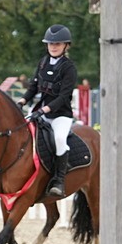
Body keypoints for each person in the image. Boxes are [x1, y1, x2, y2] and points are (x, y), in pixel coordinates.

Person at [19, 23, 78, 198]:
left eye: (57, 44)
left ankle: (59, 180)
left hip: (61, 115)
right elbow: (33, 87)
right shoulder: (43, 62)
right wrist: (21, 102)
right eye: (51, 44)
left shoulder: (69, 67)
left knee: (59, 138)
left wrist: (43, 110)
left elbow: (63, 96)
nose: (53, 47)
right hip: (41, 112)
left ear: (65, 45)